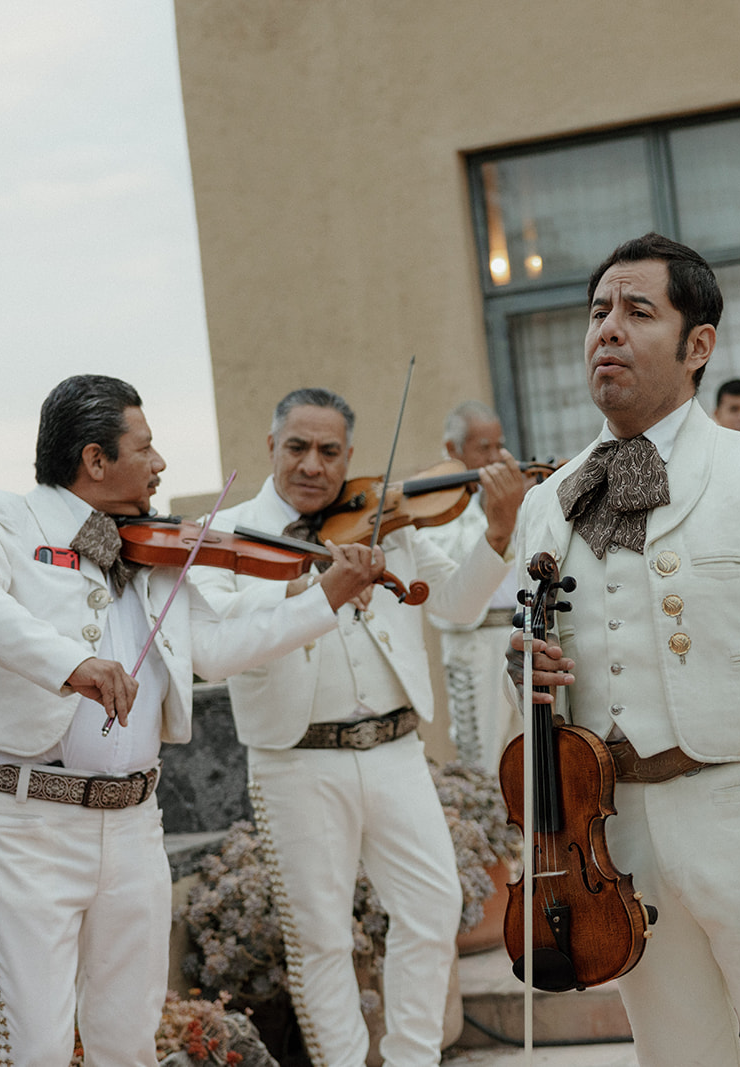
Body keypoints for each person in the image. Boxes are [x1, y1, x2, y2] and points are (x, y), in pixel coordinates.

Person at [0, 374, 383, 1067]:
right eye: (145, 448)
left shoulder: (154, 550)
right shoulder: (0, 519)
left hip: (135, 826)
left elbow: (221, 650)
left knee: (128, 1042)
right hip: (23, 825)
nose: (161, 462)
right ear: (94, 460)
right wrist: (73, 663)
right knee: (38, 1050)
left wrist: (325, 597)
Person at [511, 233, 740, 1065]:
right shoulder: (548, 503)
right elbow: (542, 677)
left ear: (698, 343)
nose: (609, 328)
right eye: (599, 310)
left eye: (639, 311)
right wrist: (522, 673)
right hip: (616, 843)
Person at [190, 387, 524, 1067]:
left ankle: (411, 1059)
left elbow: (457, 605)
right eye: (298, 447)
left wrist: (498, 529)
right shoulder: (229, 537)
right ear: (271, 446)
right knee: (320, 938)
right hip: (297, 760)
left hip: (396, 749)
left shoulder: (385, 518)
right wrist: (313, 589)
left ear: (349, 455)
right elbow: (220, 646)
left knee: (433, 909)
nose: (313, 464)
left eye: (330, 451)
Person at [425, 400, 525, 772]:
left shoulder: (509, 492)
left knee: (528, 757)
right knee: (482, 760)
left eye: (498, 445)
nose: (496, 456)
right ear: (453, 450)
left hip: (519, 635)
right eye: (484, 448)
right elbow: (451, 571)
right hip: (475, 641)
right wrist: (492, 515)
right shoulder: (433, 502)